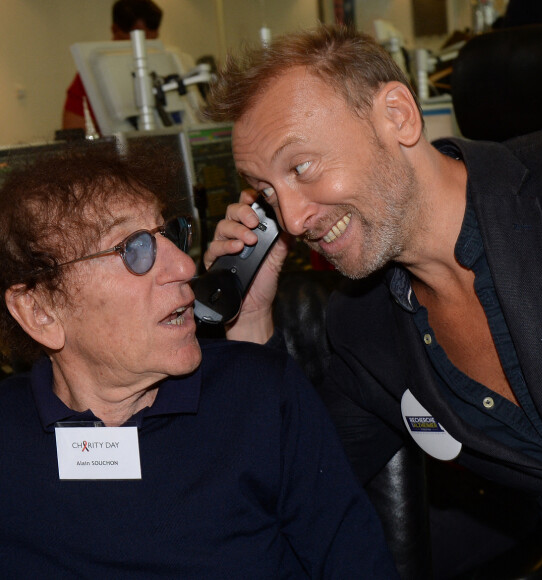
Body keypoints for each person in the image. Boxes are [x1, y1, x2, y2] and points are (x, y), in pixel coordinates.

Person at [203, 24, 542, 575]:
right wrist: (252, 319)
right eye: (265, 193)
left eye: (301, 167)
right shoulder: (366, 330)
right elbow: (286, 489)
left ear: (398, 116)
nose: (291, 218)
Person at [0, 144, 399, 578]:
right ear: (40, 312)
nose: (184, 266)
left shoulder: (260, 394)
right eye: (133, 249)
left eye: (170, 235)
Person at [62, 0, 163, 132]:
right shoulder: (91, 75)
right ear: (115, 30)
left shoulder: (165, 65)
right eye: (138, 40)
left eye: (152, 41)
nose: (144, 49)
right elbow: (74, 135)